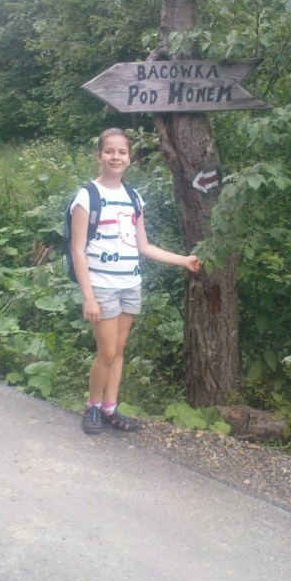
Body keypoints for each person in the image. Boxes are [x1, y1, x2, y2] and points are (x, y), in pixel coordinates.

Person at [70, 128, 201, 434]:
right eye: (109, 151)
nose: (115, 157)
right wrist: (88, 296)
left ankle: (110, 409)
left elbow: (143, 246)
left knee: (118, 349)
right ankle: (92, 407)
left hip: (130, 284)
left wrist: (183, 259)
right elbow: (77, 250)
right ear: (99, 155)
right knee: (107, 352)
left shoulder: (133, 197)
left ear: (129, 158)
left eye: (122, 152)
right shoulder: (87, 196)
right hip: (102, 286)